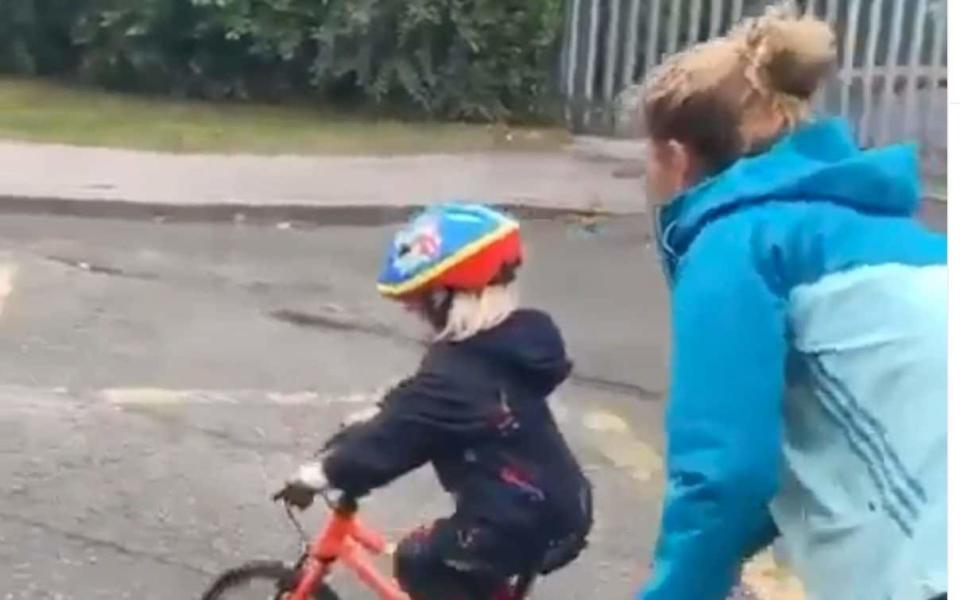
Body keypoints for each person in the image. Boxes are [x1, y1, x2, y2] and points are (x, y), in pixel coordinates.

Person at [635, 5, 946, 600]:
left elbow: (724, 473)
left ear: (674, 159)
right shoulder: (889, 235)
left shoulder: (736, 243)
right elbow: (804, 460)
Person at [278, 203, 593, 600]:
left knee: (420, 559)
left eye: (420, 297)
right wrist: (379, 411)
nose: (412, 308)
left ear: (448, 294)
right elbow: (418, 401)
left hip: (517, 518)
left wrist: (323, 472)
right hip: (550, 503)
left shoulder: (461, 375)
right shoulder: (496, 347)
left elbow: (395, 438)